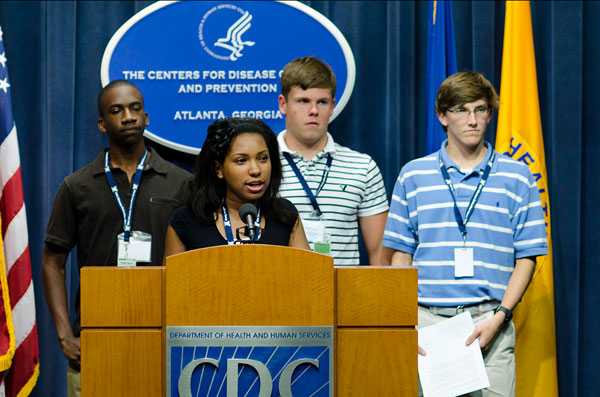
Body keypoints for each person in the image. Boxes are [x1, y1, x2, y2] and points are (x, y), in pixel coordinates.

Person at [383, 71, 547, 396]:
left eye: (480, 109)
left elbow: (527, 259)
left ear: (489, 114)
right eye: (461, 109)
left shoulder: (517, 176)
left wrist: (499, 317)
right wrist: (407, 322)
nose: (472, 120)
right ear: (442, 116)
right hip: (428, 323)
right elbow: (400, 255)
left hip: (491, 321)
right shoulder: (414, 175)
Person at [42, 80, 191, 396]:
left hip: (164, 339)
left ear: (147, 117)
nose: (128, 116)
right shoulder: (77, 186)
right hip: (96, 342)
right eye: (116, 110)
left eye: (135, 108)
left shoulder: (181, 184)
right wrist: (65, 335)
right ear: (101, 123)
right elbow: (52, 262)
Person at [277, 56, 389, 265]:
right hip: (279, 292)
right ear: (283, 104)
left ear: (332, 106)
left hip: (343, 295)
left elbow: (379, 256)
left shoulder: (362, 167)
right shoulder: (262, 166)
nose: (313, 111)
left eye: (322, 102)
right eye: (303, 101)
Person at [165, 117, 309, 254]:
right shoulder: (186, 221)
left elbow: (310, 275)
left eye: (263, 158)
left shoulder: (285, 215)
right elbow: (171, 279)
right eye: (241, 160)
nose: (255, 170)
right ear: (218, 169)